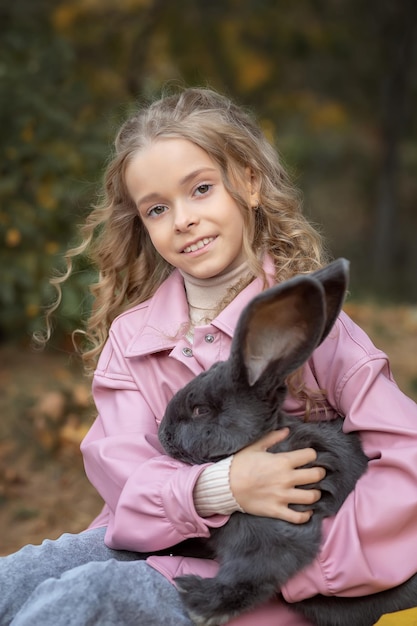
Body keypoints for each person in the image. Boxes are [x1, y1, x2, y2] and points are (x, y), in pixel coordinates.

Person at [1, 86, 417, 626]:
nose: (183, 219)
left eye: (200, 189)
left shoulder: (317, 333)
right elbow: (123, 476)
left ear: (247, 181)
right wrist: (221, 487)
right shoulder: (135, 338)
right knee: (16, 582)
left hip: (255, 579)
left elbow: (407, 464)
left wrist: (297, 566)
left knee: (81, 603)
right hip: (148, 540)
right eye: (157, 208)